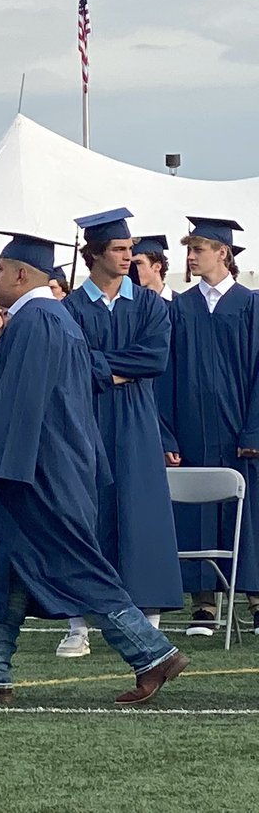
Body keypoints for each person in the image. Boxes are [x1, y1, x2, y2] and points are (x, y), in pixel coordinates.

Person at [0, 231, 187, 707]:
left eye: (0, 269)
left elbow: (19, 402)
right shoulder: (47, 318)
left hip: (42, 471)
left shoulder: (40, 320)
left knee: (77, 564)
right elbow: (15, 392)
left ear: (21, 274)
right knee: (7, 570)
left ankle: (152, 653)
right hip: (50, 465)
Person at [53, 210, 183, 658]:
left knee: (140, 512)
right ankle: (76, 625)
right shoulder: (69, 308)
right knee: (83, 515)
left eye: (131, 250)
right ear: (94, 254)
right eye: (120, 250)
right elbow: (70, 363)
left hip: (137, 423)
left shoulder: (149, 304)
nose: (129, 256)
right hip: (83, 419)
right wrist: (114, 369)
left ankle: (147, 622)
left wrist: (101, 368)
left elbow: (154, 359)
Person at [159, 217, 259, 636]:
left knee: (251, 515)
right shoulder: (180, 307)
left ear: (224, 253)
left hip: (240, 430)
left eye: (199, 248)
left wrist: (254, 430)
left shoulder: (251, 304)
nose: (191, 255)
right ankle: (204, 604)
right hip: (194, 430)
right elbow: (165, 376)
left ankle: (256, 601)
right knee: (198, 511)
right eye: (190, 248)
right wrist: (167, 434)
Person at [131, 235, 175, 301]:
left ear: (157, 266)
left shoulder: (180, 303)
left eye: (138, 263)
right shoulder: (130, 305)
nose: (132, 268)